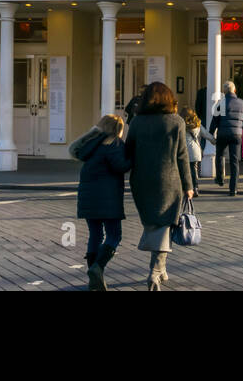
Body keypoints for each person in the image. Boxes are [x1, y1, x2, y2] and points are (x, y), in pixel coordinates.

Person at [124, 82, 194, 290]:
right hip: (168, 181)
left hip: (141, 181)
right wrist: (188, 185)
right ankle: (155, 271)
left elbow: (128, 152)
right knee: (164, 225)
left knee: (155, 224)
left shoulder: (137, 122)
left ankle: (161, 268)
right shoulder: (176, 122)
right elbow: (182, 156)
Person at [70, 114, 131, 291]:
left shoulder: (91, 145)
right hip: (108, 198)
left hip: (88, 198)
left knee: (95, 235)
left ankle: (93, 277)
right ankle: (98, 268)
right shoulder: (114, 144)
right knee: (114, 235)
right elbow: (121, 166)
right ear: (118, 129)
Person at [210, 80, 243, 195]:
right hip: (236, 135)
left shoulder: (220, 104)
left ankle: (220, 178)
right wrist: (239, 127)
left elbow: (214, 122)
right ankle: (233, 189)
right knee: (234, 161)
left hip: (222, 134)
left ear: (224, 91)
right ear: (234, 90)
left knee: (219, 155)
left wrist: (210, 135)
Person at [182, 108, 215, 190]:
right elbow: (207, 135)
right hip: (195, 151)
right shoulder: (198, 125)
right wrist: (214, 141)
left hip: (184, 151)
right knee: (194, 171)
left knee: (184, 171)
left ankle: (186, 188)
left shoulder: (181, 125)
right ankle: (195, 187)